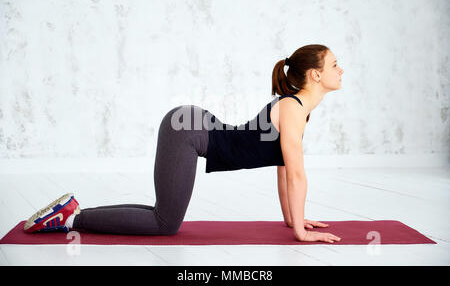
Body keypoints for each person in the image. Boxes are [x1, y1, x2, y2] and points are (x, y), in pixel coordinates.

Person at [24, 44, 344, 244]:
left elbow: (284, 170)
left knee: (161, 214)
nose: (340, 70)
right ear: (315, 75)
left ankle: (73, 212)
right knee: (165, 224)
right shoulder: (292, 109)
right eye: (333, 65)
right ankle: (70, 219)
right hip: (186, 131)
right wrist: (300, 232)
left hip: (189, 126)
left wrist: (294, 220)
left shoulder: (296, 109)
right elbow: (296, 175)